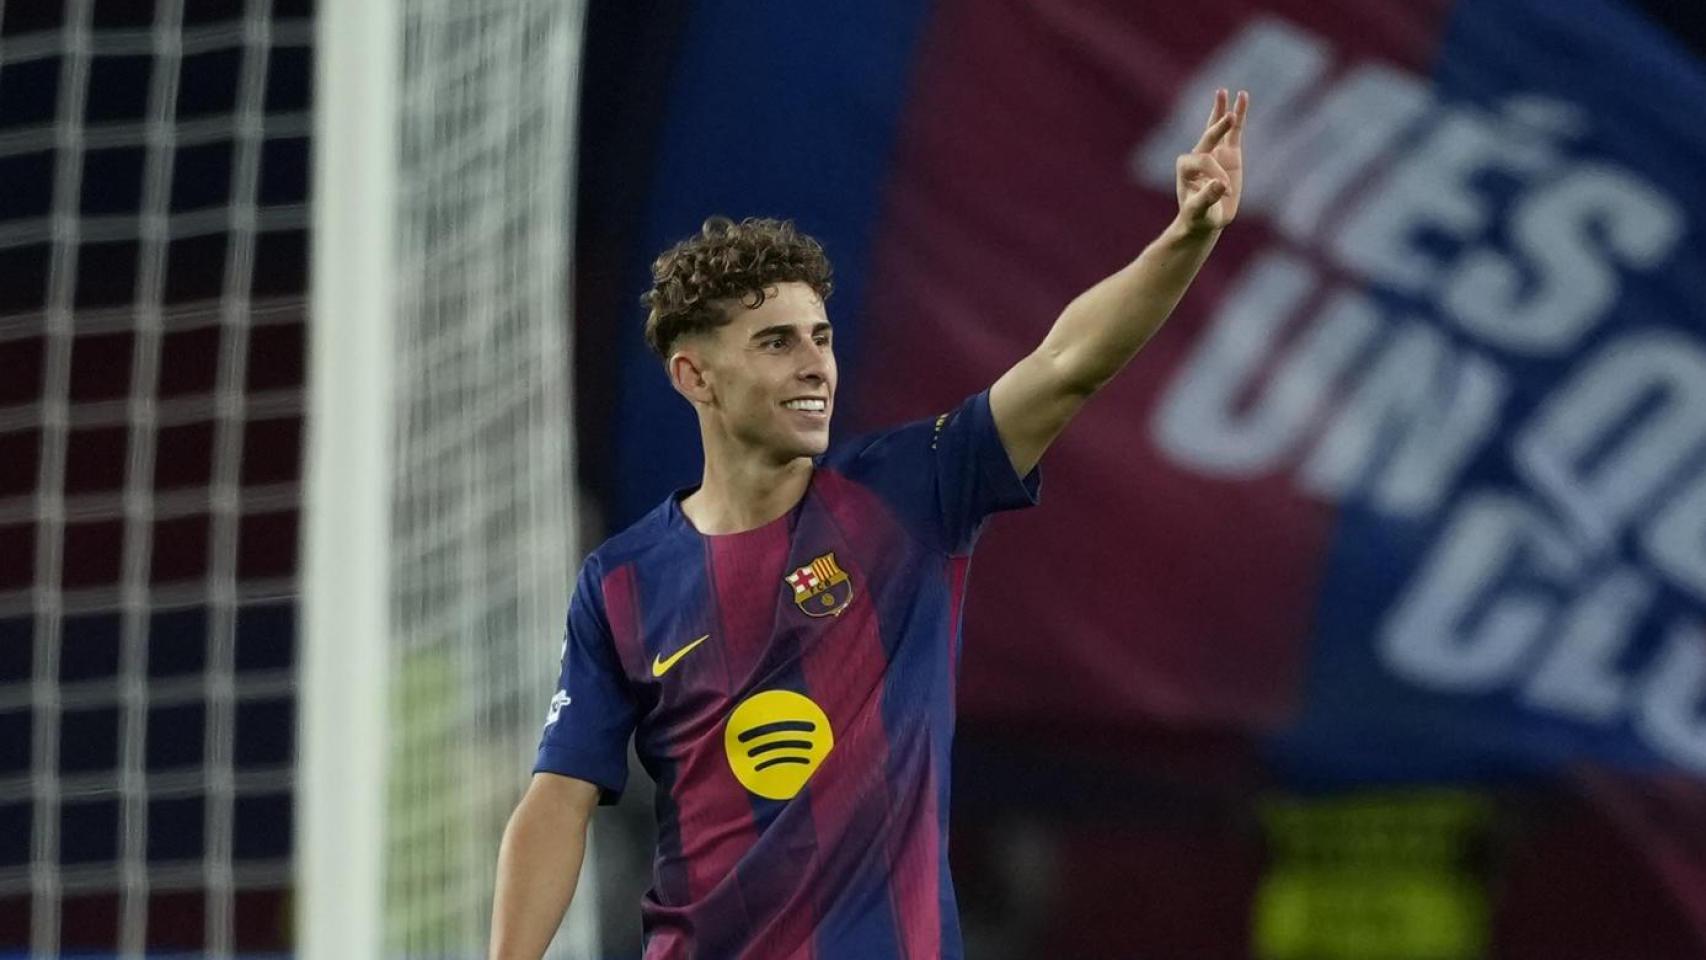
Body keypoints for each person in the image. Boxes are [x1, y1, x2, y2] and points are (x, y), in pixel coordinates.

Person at [490, 88, 1249, 960]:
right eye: (777, 342)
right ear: (694, 377)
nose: (816, 363)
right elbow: (558, 799)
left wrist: (1188, 234)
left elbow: (1066, 364)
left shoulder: (908, 493)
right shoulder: (621, 582)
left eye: (822, 337)